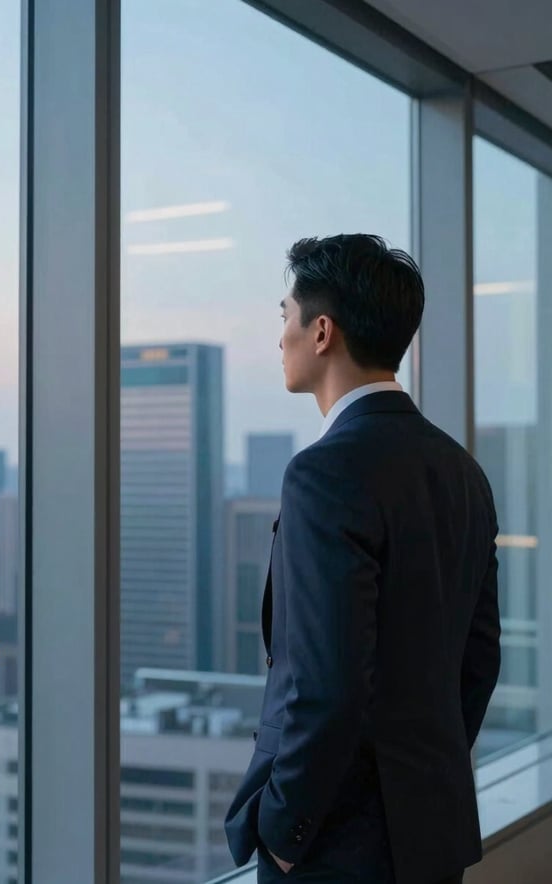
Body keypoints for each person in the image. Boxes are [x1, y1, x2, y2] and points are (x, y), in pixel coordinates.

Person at [224, 234, 501, 884]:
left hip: (336, 847)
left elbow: (326, 685)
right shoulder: (462, 471)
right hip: (428, 834)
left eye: (285, 315)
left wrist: (286, 832)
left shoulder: (323, 474)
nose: (280, 336)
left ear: (322, 332)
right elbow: (478, 659)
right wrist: (420, 776)